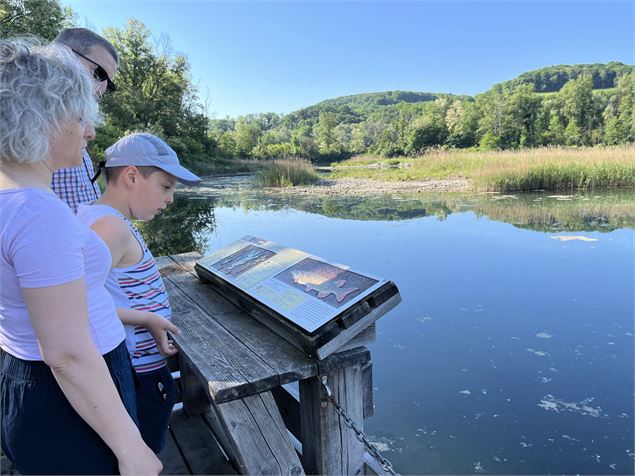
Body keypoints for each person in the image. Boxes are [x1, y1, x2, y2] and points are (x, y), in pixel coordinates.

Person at [0, 39, 161, 475]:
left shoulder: (11, 196)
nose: (89, 132)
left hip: (29, 380)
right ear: (43, 117)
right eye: (79, 116)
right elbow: (67, 354)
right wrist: (132, 450)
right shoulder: (37, 211)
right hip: (72, 395)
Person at [77, 132, 201, 453]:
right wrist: (148, 319)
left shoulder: (94, 215)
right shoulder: (111, 229)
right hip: (136, 372)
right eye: (166, 186)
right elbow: (77, 305)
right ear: (132, 176)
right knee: (143, 452)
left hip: (136, 367)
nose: (170, 199)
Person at [51, 27, 119, 213]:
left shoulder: (75, 125)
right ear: (62, 54)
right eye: (98, 73)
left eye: (109, 84)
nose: (102, 89)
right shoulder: (20, 115)